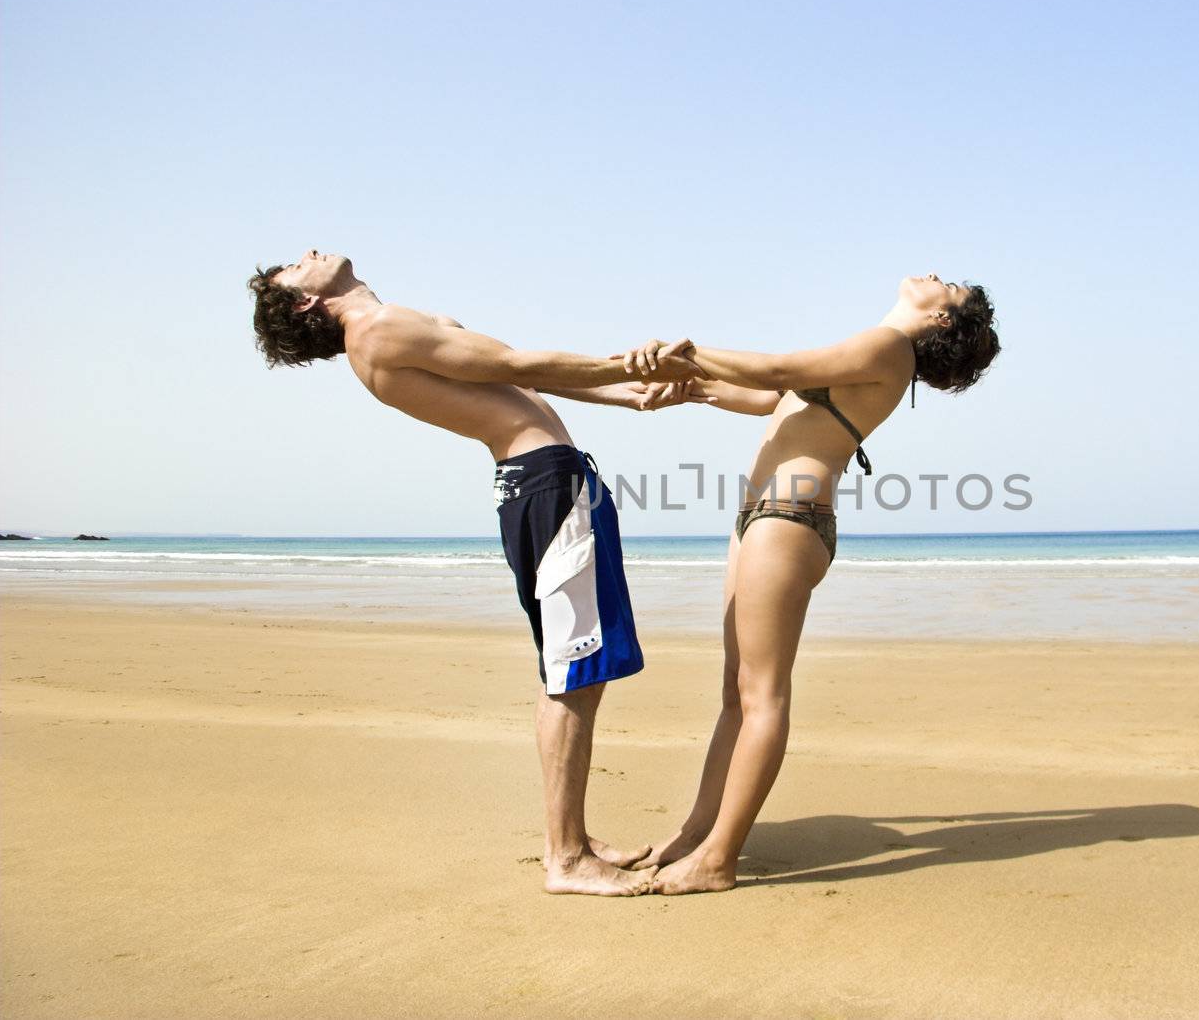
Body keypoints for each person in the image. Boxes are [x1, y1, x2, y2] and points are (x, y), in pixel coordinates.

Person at [248, 249, 700, 896]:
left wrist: (626, 395)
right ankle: (567, 858)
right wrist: (627, 361)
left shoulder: (396, 324)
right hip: (546, 486)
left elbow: (517, 375)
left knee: (574, 671)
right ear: (303, 303)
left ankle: (568, 836)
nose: (307, 254)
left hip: (548, 482)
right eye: (292, 268)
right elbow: (518, 366)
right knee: (573, 673)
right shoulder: (376, 331)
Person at [615, 273, 1000, 894]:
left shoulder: (890, 348)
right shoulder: (874, 349)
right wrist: (694, 388)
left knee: (762, 696)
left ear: (944, 321)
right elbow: (773, 398)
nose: (936, 277)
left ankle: (719, 859)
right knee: (735, 696)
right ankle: (695, 835)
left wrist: (687, 351)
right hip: (762, 521)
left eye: (949, 287)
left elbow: (775, 370)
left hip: (788, 522)